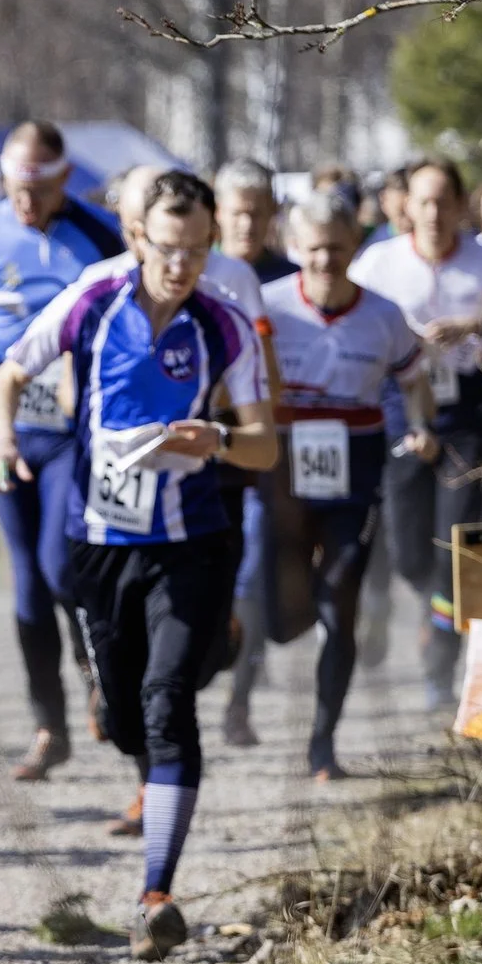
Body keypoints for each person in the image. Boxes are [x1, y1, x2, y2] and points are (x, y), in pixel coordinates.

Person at [0, 169, 277, 961]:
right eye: (169, 249)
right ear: (140, 237)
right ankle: (198, 657)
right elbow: (7, 379)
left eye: (198, 251)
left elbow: (265, 442)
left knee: (167, 697)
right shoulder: (90, 299)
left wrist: (215, 440)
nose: (182, 266)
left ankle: (156, 893)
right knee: (119, 714)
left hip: (191, 543)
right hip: (100, 543)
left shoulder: (226, 325)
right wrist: (0, 442)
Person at [0, 122, 126, 782]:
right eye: (14, 189)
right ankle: (50, 724)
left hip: (80, 430)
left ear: (63, 180)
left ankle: (97, 671)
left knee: (60, 565)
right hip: (8, 428)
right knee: (26, 584)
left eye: (37, 190)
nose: (24, 203)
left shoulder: (100, 233)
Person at [248, 193, 436, 779]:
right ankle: (281, 625)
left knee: (339, 603)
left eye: (336, 248)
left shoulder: (382, 315)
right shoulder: (270, 307)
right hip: (283, 470)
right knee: (281, 618)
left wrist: (423, 424)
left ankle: (323, 742)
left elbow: (416, 378)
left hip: (354, 468)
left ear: (354, 247)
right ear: (295, 249)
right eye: (314, 250)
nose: (325, 260)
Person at [349, 158, 482, 708]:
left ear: (460, 205)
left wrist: (476, 324)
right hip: (397, 409)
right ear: (405, 206)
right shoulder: (378, 264)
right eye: (423, 202)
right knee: (409, 548)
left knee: (454, 545)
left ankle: (440, 660)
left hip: (464, 414)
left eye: (443, 202)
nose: (433, 213)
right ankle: (421, 607)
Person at [210, 158, 290, 749]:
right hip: (202, 453)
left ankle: (240, 702)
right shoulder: (197, 274)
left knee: (253, 580)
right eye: (236, 211)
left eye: (257, 213)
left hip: (266, 454)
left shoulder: (290, 276)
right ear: (216, 214)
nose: (246, 223)